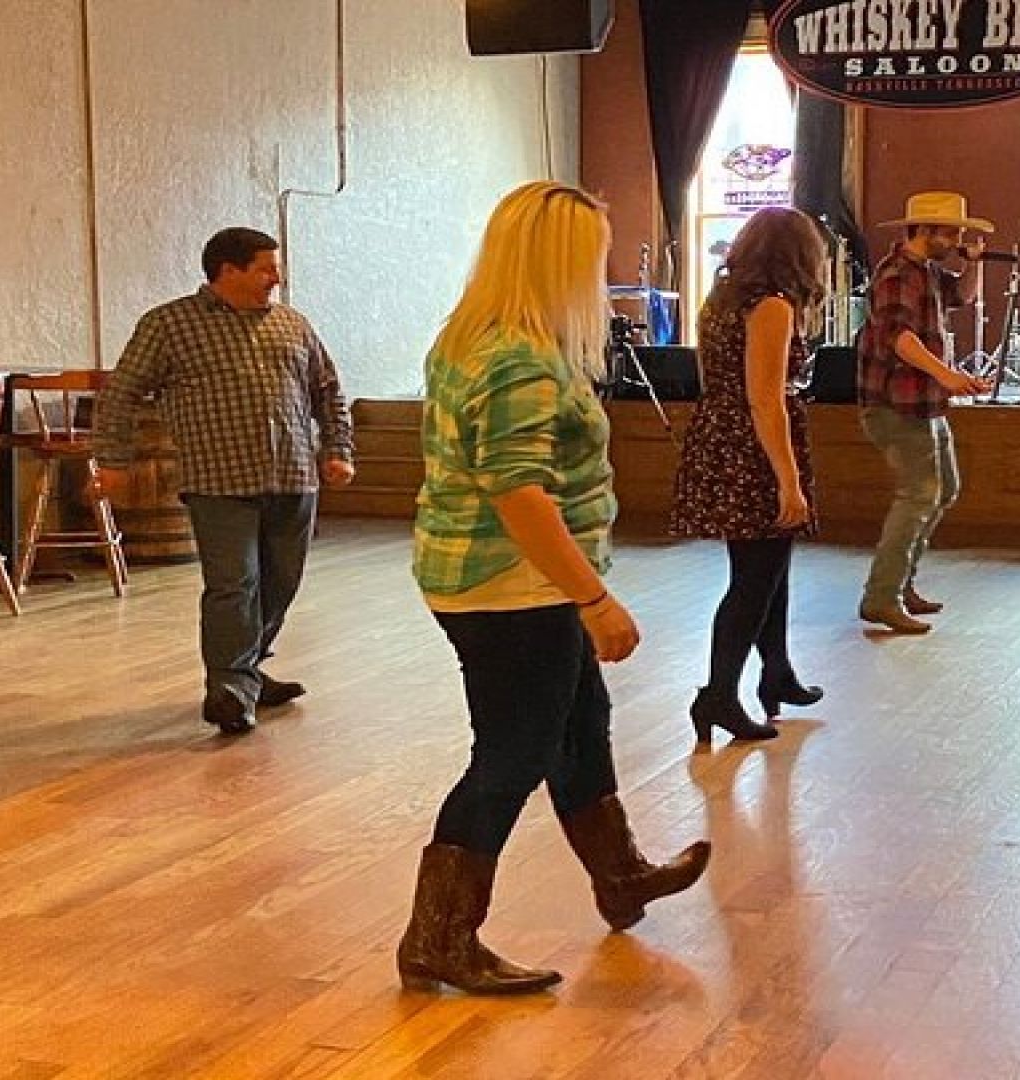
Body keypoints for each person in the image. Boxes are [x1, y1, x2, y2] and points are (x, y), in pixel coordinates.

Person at [400, 182, 710, 994]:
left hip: (504, 579)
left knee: (578, 726)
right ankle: (439, 938)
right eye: (593, 254)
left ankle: (622, 876)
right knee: (513, 753)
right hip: (511, 585)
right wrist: (594, 599)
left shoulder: (480, 338)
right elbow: (518, 493)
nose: (601, 270)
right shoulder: (517, 357)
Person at [94, 228, 354, 736]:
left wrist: (338, 449)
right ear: (227, 271)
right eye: (265, 267)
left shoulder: (293, 325)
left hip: (293, 476)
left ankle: (249, 668)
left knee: (281, 582)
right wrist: (113, 459)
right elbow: (121, 393)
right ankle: (230, 689)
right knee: (234, 584)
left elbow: (328, 390)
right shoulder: (169, 325)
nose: (276, 277)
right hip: (218, 480)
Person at [668, 206, 828, 744]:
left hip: (720, 435)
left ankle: (777, 672)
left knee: (768, 566)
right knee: (754, 579)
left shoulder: (722, 298)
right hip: (753, 449)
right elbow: (765, 399)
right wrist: (788, 478)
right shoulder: (773, 307)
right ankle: (718, 695)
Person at [854, 191, 996, 634]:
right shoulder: (897, 274)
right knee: (918, 494)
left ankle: (901, 583)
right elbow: (899, 337)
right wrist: (948, 374)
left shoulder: (928, 272)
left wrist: (971, 263)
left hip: (924, 402)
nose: (958, 238)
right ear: (925, 231)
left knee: (944, 489)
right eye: (952, 231)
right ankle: (882, 597)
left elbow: (963, 298)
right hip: (896, 403)